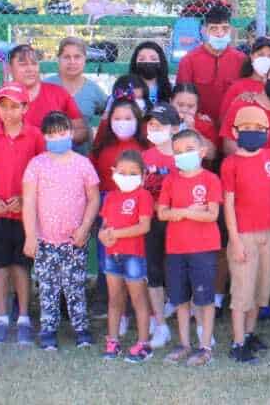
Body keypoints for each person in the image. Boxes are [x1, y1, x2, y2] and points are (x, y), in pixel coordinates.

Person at [21, 112, 101, 351]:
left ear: (71, 133)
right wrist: (30, 236)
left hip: (74, 240)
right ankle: (48, 329)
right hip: (45, 240)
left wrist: (85, 228)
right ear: (44, 136)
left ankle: (81, 328)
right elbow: (28, 202)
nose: (58, 137)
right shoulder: (37, 164)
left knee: (75, 285)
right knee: (47, 286)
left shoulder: (83, 164)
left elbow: (94, 199)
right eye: (52, 134)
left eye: (63, 132)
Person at [0, 84, 44, 345]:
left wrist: (25, 200)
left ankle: (24, 318)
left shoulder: (36, 136)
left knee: (21, 267)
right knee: (1, 268)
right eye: (3, 106)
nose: (8, 112)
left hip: (24, 214)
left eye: (15, 106)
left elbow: (42, 173)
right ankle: (2, 318)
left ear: (25, 108)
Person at [220, 105, 270, 364]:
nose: (253, 133)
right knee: (242, 292)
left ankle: (249, 334)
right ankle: (237, 343)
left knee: (261, 289)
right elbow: (229, 204)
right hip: (244, 235)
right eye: (246, 129)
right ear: (235, 131)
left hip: (269, 232)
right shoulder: (230, 163)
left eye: (259, 129)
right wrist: (234, 241)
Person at [156, 130, 223, 367]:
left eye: (188, 150)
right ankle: (184, 343)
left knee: (204, 299)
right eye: (178, 152)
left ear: (202, 152)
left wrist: (181, 213)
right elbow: (162, 213)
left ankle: (205, 346)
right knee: (180, 298)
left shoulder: (210, 179)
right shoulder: (171, 180)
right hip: (176, 249)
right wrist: (191, 211)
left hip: (203, 249)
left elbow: (212, 214)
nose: (183, 156)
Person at [88, 97, 147, 322]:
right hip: (108, 208)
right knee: (108, 257)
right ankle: (112, 305)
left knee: (136, 259)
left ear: (137, 120)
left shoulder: (145, 145)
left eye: (128, 118)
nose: (122, 122)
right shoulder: (102, 146)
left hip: (137, 209)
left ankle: (138, 308)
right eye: (117, 118)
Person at [98, 149, 154, 363]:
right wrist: (104, 235)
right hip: (112, 255)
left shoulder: (143, 196)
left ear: (143, 175)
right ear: (114, 172)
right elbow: (104, 225)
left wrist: (116, 234)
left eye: (133, 173)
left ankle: (143, 344)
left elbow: (144, 226)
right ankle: (112, 341)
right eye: (123, 172)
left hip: (133, 256)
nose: (127, 177)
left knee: (138, 299)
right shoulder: (111, 197)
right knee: (114, 299)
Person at [0, 45, 87, 145]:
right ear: (9, 68)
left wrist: (57, 138)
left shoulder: (58, 93)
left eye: (34, 64)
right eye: (23, 64)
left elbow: (81, 130)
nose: (30, 69)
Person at [140, 102, 182, 348]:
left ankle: (195, 325)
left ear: (175, 128)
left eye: (160, 125)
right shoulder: (144, 157)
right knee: (154, 273)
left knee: (182, 274)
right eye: (151, 124)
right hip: (153, 225)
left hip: (179, 224)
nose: (154, 129)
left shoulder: (183, 155)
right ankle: (160, 326)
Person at [220, 60, 270, 174]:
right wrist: (258, 170)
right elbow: (229, 146)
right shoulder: (243, 105)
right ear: (265, 78)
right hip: (244, 177)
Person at [176, 4, 247, 127]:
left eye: (225, 28)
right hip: (199, 124)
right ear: (204, 30)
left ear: (230, 30)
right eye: (214, 28)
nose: (220, 34)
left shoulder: (241, 60)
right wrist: (196, 116)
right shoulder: (189, 60)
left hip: (234, 124)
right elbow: (182, 98)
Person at [45, 37, 108, 153]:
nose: (72, 62)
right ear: (58, 59)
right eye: (66, 57)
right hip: (48, 158)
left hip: (82, 159)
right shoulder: (46, 85)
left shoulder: (93, 90)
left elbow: (109, 110)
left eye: (77, 57)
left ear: (85, 59)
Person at [220, 36, 270, 116]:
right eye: (261, 55)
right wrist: (239, 101)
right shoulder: (237, 87)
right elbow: (224, 119)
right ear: (251, 56)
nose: (265, 59)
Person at [172, 83, 219, 163]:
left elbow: (211, 155)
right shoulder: (161, 119)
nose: (184, 110)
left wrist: (192, 128)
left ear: (197, 106)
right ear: (171, 101)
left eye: (190, 106)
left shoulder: (205, 124)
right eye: (180, 105)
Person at [128, 41, 173, 107]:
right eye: (142, 59)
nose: (148, 62)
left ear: (161, 63)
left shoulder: (170, 89)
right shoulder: (126, 88)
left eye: (153, 59)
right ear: (135, 63)